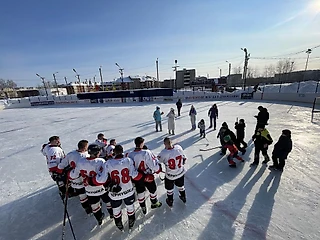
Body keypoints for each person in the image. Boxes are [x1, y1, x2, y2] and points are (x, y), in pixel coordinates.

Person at [96, 145, 144, 231]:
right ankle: (131, 221)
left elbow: (101, 180)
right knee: (130, 207)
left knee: (116, 209)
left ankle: (119, 223)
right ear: (122, 151)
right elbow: (135, 175)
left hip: (115, 194)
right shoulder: (128, 160)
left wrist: (93, 179)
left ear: (114, 152)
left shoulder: (108, 163)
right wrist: (142, 175)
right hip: (128, 190)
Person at [69, 144, 113, 225]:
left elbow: (74, 175)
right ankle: (112, 214)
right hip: (101, 188)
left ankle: (99, 219)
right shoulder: (100, 161)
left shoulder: (81, 161)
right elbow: (104, 177)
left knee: (94, 205)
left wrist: (68, 172)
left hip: (89, 190)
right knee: (108, 201)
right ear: (97, 152)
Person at [127, 137, 162, 214]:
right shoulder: (146, 152)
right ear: (142, 143)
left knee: (140, 191)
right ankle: (154, 203)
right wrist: (158, 169)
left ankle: (142, 206)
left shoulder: (130, 154)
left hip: (137, 177)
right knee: (153, 190)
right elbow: (152, 165)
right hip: (147, 176)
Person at [57, 140, 91, 214]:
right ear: (85, 147)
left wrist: (59, 172)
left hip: (74, 179)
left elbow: (61, 165)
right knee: (87, 193)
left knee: (82, 195)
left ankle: (87, 209)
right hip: (84, 178)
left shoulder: (70, 154)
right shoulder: (86, 155)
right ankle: (90, 207)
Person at [157, 137, 187, 207]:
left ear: (164, 144)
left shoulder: (163, 153)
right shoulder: (178, 147)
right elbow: (184, 158)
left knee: (169, 189)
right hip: (180, 173)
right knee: (181, 186)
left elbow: (157, 161)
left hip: (170, 175)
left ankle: (170, 200)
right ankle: (183, 197)